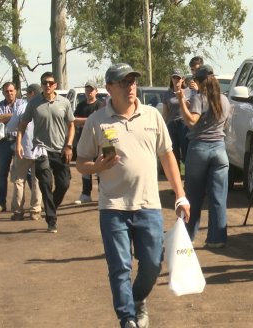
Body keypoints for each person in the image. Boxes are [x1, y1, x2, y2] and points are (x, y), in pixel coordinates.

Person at [76, 63, 190, 328]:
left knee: (152, 264)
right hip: (113, 207)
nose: (130, 87)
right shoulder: (97, 121)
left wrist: (180, 195)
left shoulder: (152, 116)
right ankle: (127, 318)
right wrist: (96, 167)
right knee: (120, 268)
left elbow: (167, 156)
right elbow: (81, 161)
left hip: (148, 205)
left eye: (133, 81)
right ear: (110, 88)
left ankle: (137, 299)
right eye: (124, 82)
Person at [176, 64, 231, 248]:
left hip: (199, 147)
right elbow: (225, 125)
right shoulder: (224, 100)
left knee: (194, 195)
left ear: (199, 82)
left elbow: (191, 121)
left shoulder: (200, 98)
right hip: (220, 149)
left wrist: (181, 101)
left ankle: (189, 236)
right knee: (218, 197)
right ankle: (217, 238)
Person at [16, 72, 75, 233]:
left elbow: (71, 125)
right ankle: (51, 220)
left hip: (61, 150)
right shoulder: (34, 103)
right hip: (41, 149)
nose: (47, 85)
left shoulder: (64, 103)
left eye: (50, 83)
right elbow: (22, 124)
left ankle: (51, 208)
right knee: (46, 183)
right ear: (41, 85)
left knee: (64, 183)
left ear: (55, 85)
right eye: (44, 83)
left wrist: (69, 145)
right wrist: (19, 143)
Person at [6, 83, 43, 221]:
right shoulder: (44, 107)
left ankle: (18, 211)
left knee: (19, 180)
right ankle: (35, 210)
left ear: (32, 93)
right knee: (36, 181)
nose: (26, 95)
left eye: (28, 92)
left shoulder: (22, 108)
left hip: (23, 149)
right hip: (40, 150)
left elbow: (10, 127)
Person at [0, 81, 27, 213]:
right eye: (6, 91)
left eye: (11, 90)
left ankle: (28, 203)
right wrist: (17, 115)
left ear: (16, 91)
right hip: (4, 142)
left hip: (20, 141)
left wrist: (11, 116)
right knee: (2, 174)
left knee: (25, 173)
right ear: (3, 92)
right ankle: (1, 203)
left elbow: (25, 118)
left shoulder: (22, 103)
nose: (9, 93)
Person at [73, 80, 104, 205]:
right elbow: (74, 120)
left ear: (96, 91)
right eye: (87, 89)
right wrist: (90, 120)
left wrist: (85, 121)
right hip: (83, 139)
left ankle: (103, 195)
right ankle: (86, 194)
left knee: (100, 167)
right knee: (85, 168)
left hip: (98, 141)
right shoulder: (81, 106)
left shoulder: (100, 105)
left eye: (91, 89)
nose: (89, 92)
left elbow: (99, 120)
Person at [162, 68, 190, 168]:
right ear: (171, 79)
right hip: (171, 125)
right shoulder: (167, 94)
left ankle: (189, 175)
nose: (176, 80)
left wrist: (182, 97)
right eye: (174, 77)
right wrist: (162, 127)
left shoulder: (188, 92)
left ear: (183, 79)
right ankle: (176, 173)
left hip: (184, 124)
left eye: (178, 78)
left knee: (186, 150)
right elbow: (165, 113)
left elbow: (190, 107)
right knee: (173, 151)